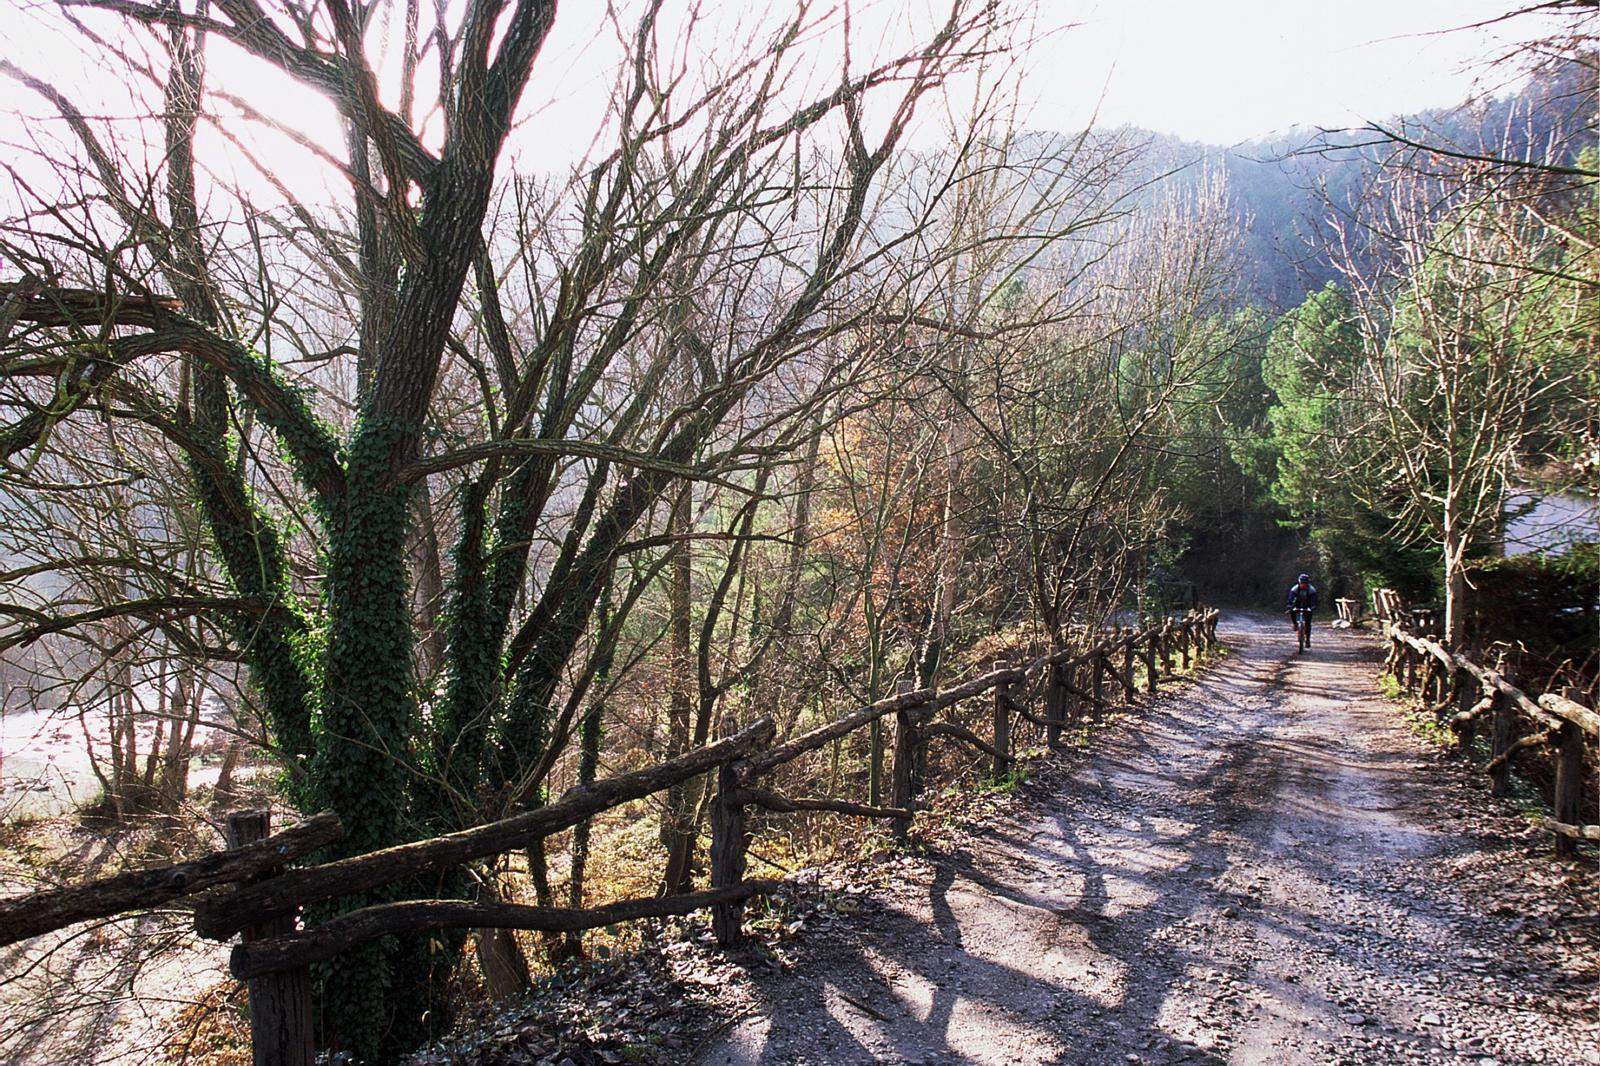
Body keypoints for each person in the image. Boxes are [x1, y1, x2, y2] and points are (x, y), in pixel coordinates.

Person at [1286, 573, 1318, 647]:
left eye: (1304, 583)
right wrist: (1289, 605)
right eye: (1301, 583)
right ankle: (1295, 624)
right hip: (1297, 604)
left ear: (1307, 583)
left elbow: (1314, 600)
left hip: (1308, 606)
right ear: (1299, 582)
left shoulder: (1311, 590)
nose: (1303, 585)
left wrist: (1313, 606)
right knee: (1292, 612)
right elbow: (1291, 598)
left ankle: (1308, 640)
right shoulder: (1295, 589)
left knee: (1308, 623)